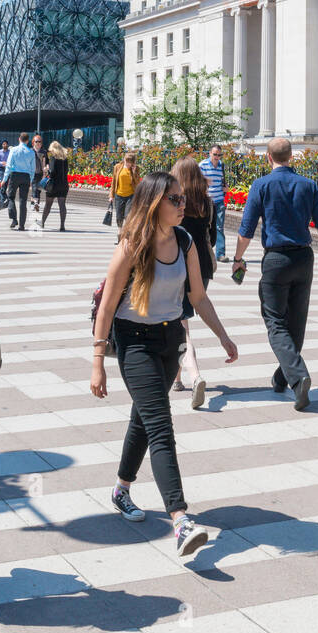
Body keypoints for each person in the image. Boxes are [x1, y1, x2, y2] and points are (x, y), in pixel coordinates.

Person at [91, 172, 238, 556]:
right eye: (175, 199)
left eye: (182, 198)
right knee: (160, 425)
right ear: (154, 202)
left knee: (145, 417)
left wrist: (223, 335)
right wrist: (97, 361)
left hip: (171, 340)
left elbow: (199, 297)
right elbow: (107, 304)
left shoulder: (185, 240)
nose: (182, 204)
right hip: (134, 341)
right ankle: (180, 519)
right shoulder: (131, 245)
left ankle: (121, 489)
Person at [232, 137, 318, 410]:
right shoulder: (309, 185)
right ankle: (282, 377)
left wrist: (238, 259)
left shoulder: (261, 185)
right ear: (291, 157)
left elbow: (247, 228)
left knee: (276, 321)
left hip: (276, 259)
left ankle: (298, 378)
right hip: (304, 258)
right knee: (297, 323)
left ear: (268, 157)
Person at [170, 155, 216, 408]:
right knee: (182, 321)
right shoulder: (207, 204)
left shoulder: (176, 203)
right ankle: (176, 378)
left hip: (178, 266)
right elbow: (214, 238)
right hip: (203, 268)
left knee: (182, 326)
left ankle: (194, 375)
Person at [199, 144, 228, 261]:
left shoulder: (221, 165)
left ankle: (220, 254)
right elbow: (197, 181)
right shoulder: (202, 165)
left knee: (219, 227)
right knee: (206, 226)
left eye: (219, 155)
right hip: (207, 201)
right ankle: (205, 251)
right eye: (215, 154)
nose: (217, 157)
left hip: (219, 200)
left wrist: (225, 188)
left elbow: (222, 181)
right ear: (210, 153)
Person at [3, 132, 35, 230]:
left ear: (19, 139)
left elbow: (8, 165)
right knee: (23, 201)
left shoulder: (14, 150)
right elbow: (33, 168)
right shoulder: (31, 152)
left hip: (15, 175)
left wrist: (4, 179)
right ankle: (22, 225)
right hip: (25, 176)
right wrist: (31, 179)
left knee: (11, 197)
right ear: (27, 141)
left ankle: (14, 218)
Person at [39, 139, 69, 231]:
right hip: (63, 184)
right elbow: (66, 171)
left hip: (53, 185)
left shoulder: (53, 158)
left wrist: (47, 169)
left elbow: (52, 173)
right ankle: (62, 225)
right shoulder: (65, 159)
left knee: (48, 205)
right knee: (62, 205)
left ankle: (42, 222)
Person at [109, 150, 139, 235]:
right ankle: (120, 233)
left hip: (130, 195)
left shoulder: (136, 169)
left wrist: (134, 173)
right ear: (124, 160)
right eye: (127, 162)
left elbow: (137, 183)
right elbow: (114, 181)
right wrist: (111, 196)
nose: (128, 164)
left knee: (128, 215)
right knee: (119, 216)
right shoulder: (117, 167)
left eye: (130, 162)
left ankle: (127, 232)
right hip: (119, 195)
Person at [30, 134, 48, 212]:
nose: (38, 143)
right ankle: (35, 204)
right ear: (33, 142)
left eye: (40, 142)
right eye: (36, 141)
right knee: (34, 189)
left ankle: (35, 204)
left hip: (41, 174)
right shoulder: (30, 151)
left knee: (38, 190)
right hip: (33, 173)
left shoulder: (44, 152)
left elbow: (47, 162)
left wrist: (47, 167)